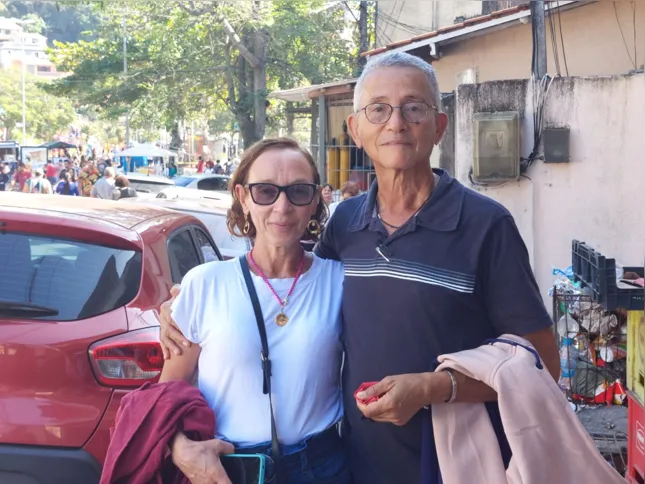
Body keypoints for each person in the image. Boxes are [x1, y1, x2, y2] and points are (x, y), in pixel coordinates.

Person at [159, 52, 559, 484]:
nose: (396, 123)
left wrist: (434, 387)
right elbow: (292, 291)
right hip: (356, 464)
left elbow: (544, 365)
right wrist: (184, 302)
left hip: (459, 462)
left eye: (414, 107)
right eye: (378, 109)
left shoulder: (486, 225)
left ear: (440, 126)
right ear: (356, 129)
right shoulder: (347, 225)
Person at [157, 138, 349, 484]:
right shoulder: (204, 284)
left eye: (299, 191)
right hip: (229, 468)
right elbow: (167, 391)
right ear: (243, 197)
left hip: (321, 467)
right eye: (265, 192)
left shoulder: (339, 282)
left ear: (316, 200)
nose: (282, 206)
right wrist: (178, 447)